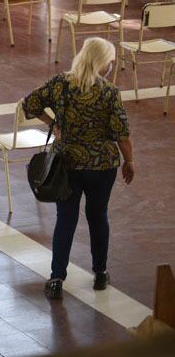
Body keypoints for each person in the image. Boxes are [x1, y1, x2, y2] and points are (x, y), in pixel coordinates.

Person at [20, 37, 134, 300]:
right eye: (110, 61)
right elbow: (122, 134)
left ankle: (57, 277)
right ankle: (101, 273)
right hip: (101, 166)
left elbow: (29, 104)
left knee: (66, 219)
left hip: (67, 165)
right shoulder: (109, 92)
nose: (111, 65)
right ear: (102, 62)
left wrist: (54, 125)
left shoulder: (61, 84)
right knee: (98, 216)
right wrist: (129, 161)